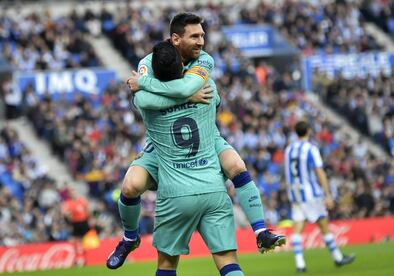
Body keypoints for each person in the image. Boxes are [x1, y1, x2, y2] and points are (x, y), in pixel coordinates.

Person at [107, 12, 285, 269]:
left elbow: (152, 95)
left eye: (202, 35)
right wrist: (187, 97)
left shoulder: (205, 60)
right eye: (195, 36)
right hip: (161, 144)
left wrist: (146, 84)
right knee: (130, 186)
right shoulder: (150, 60)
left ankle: (260, 231)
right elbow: (175, 93)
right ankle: (129, 238)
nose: (202, 41)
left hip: (206, 136)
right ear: (176, 39)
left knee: (237, 165)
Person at [142, 41, 243, 275]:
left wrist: (143, 83)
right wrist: (190, 94)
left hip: (175, 191)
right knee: (227, 260)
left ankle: (129, 236)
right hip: (212, 187)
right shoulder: (207, 90)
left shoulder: (148, 104)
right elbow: (204, 94)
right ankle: (259, 228)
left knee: (167, 264)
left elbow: (142, 99)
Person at [284, 120, 355, 273]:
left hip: (295, 194)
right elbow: (320, 172)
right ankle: (337, 258)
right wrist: (327, 194)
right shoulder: (311, 148)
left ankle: (300, 263)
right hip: (311, 193)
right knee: (323, 224)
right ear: (308, 131)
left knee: (298, 227)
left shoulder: (289, 149)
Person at [61, 188, 90, 266]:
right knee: (76, 241)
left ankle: (83, 258)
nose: (73, 194)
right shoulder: (68, 203)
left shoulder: (81, 200)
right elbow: (63, 212)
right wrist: (67, 216)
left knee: (82, 241)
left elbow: (87, 210)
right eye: (71, 193)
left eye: (73, 192)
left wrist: (89, 220)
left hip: (83, 223)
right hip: (75, 223)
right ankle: (79, 258)